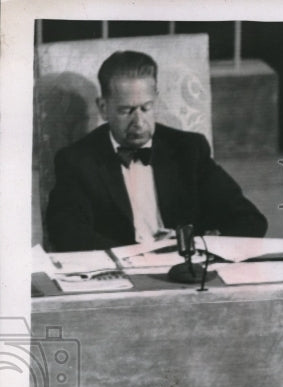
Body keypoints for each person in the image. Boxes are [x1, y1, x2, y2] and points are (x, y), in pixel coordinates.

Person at [46, 50, 268, 252]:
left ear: (156, 101)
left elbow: (250, 220)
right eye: (126, 111)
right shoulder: (77, 160)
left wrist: (197, 243)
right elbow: (66, 233)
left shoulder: (189, 149)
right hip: (124, 274)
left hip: (186, 268)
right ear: (104, 108)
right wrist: (137, 255)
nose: (139, 122)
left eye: (146, 108)